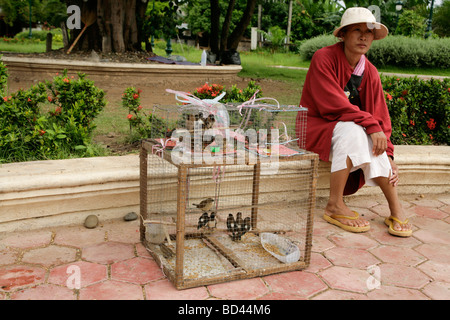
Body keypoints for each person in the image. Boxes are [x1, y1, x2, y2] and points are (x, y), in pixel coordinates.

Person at [297, 7, 412, 237]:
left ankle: (395, 208)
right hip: (316, 127)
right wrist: (371, 125)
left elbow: (381, 117)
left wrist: (389, 154)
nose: (363, 36)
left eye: (368, 32)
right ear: (343, 35)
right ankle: (334, 204)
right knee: (355, 130)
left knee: (372, 138)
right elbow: (331, 104)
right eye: (356, 30)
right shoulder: (324, 58)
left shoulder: (370, 72)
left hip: (348, 130)